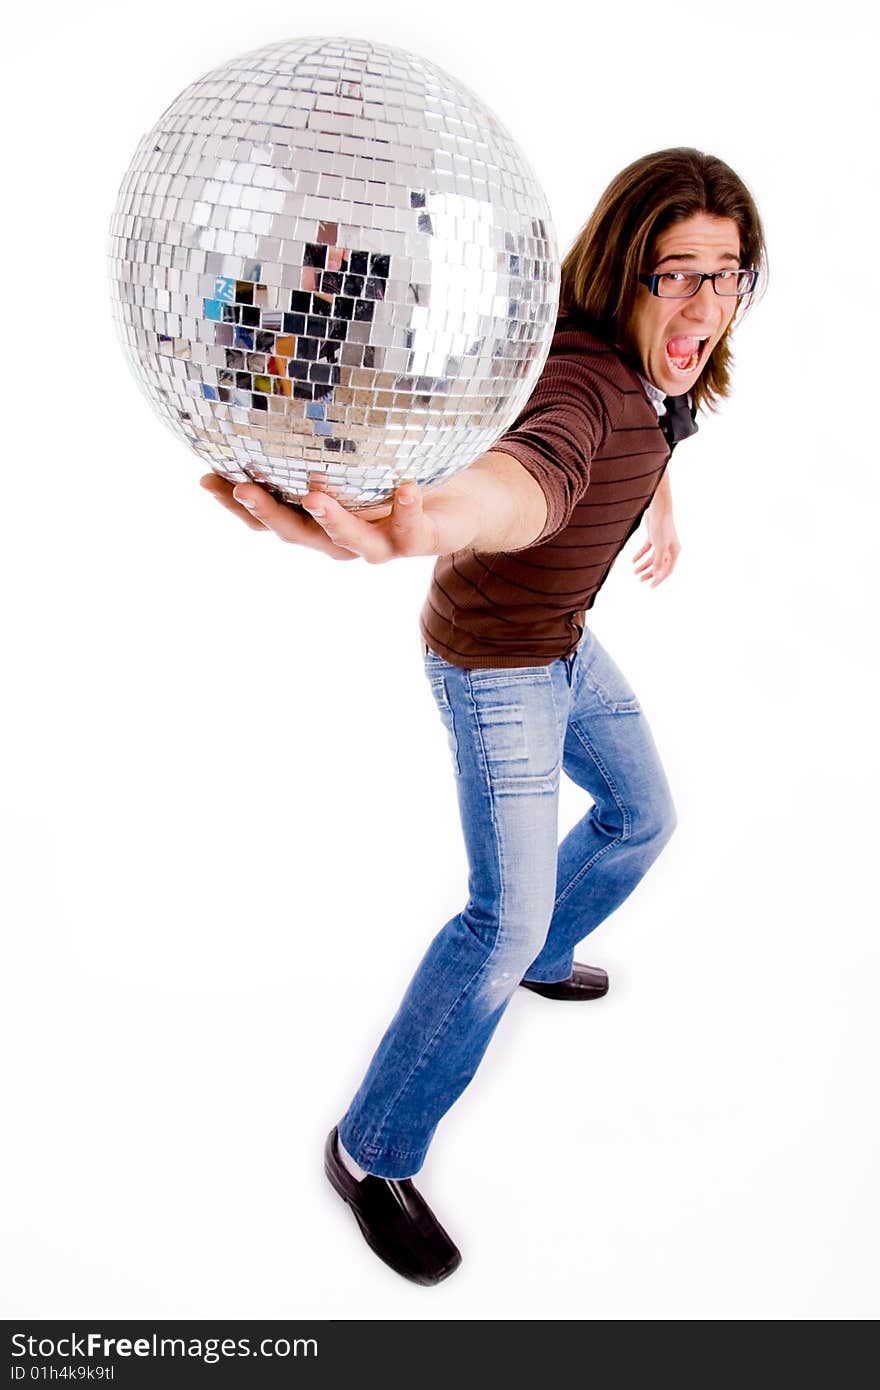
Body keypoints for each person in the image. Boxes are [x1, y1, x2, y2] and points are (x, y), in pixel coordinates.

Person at [202, 146, 767, 1286]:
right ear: (625, 271)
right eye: (678, 275)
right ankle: (371, 1150)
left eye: (729, 274)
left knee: (641, 815)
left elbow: (660, 419)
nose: (705, 303)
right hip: (497, 663)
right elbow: (527, 476)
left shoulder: (661, 371)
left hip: (562, 638)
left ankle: (549, 950)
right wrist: (422, 525)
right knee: (496, 925)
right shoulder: (580, 380)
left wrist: (660, 504)